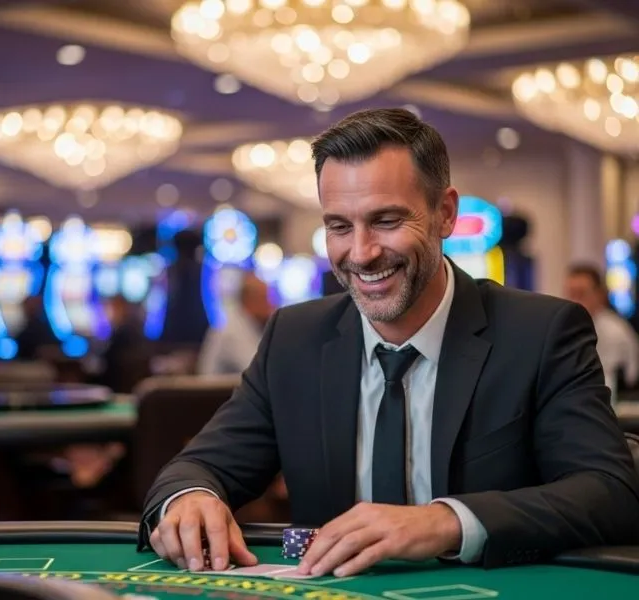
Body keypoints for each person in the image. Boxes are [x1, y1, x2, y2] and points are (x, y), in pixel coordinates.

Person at [139, 108, 639, 575]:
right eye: (339, 226)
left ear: (445, 214)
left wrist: (445, 521)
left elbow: (613, 491)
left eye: (386, 220)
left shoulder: (541, 332)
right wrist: (190, 497)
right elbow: (197, 467)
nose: (361, 253)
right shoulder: (294, 339)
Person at [564, 264, 639, 398]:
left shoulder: (615, 331)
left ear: (599, 295)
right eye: (571, 294)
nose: (574, 301)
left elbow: (615, 380)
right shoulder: (561, 329)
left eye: (581, 294)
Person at [197, 273, 273, 375]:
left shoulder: (249, 323)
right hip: (217, 385)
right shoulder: (232, 329)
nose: (271, 305)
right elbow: (257, 369)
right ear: (250, 300)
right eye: (266, 298)